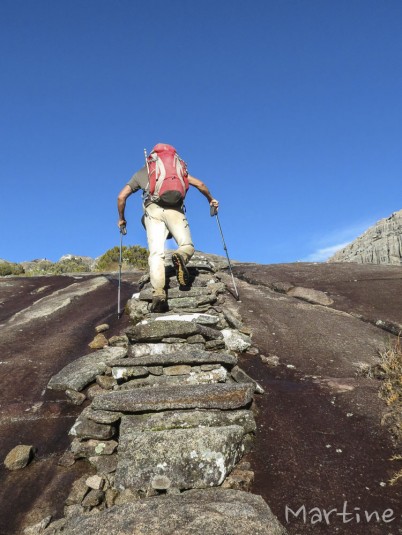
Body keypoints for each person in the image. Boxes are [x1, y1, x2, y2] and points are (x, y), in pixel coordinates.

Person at [117, 143, 219, 312]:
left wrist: (122, 219)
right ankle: (180, 255)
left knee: (156, 253)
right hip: (175, 211)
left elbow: (121, 197)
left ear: (151, 157)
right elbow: (200, 184)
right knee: (187, 245)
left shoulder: (145, 171)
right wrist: (211, 199)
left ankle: (158, 292)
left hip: (153, 211)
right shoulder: (179, 171)